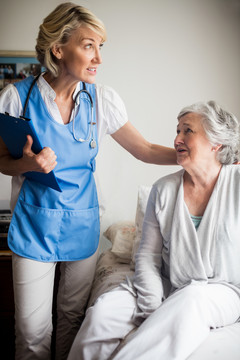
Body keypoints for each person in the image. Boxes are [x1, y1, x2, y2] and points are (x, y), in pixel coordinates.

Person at [0, 3, 176, 360]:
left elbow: (142, 149)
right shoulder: (16, 98)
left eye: (100, 47)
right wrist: (27, 164)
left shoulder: (102, 101)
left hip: (82, 224)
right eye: (88, 45)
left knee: (72, 319)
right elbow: (2, 161)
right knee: (32, 333)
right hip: (34, 226)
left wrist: (192, 155)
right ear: (58, 49)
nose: (98, 57)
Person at [67, 100, 240, 360]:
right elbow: (147, 257)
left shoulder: (236, 184)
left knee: (192, 298)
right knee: (102, 314)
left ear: (216, 143)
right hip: (168, 285)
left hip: (221, 291)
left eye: (187, 131)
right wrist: (151, 305)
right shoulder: (163, 189)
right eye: (177, 130)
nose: (176, 138)